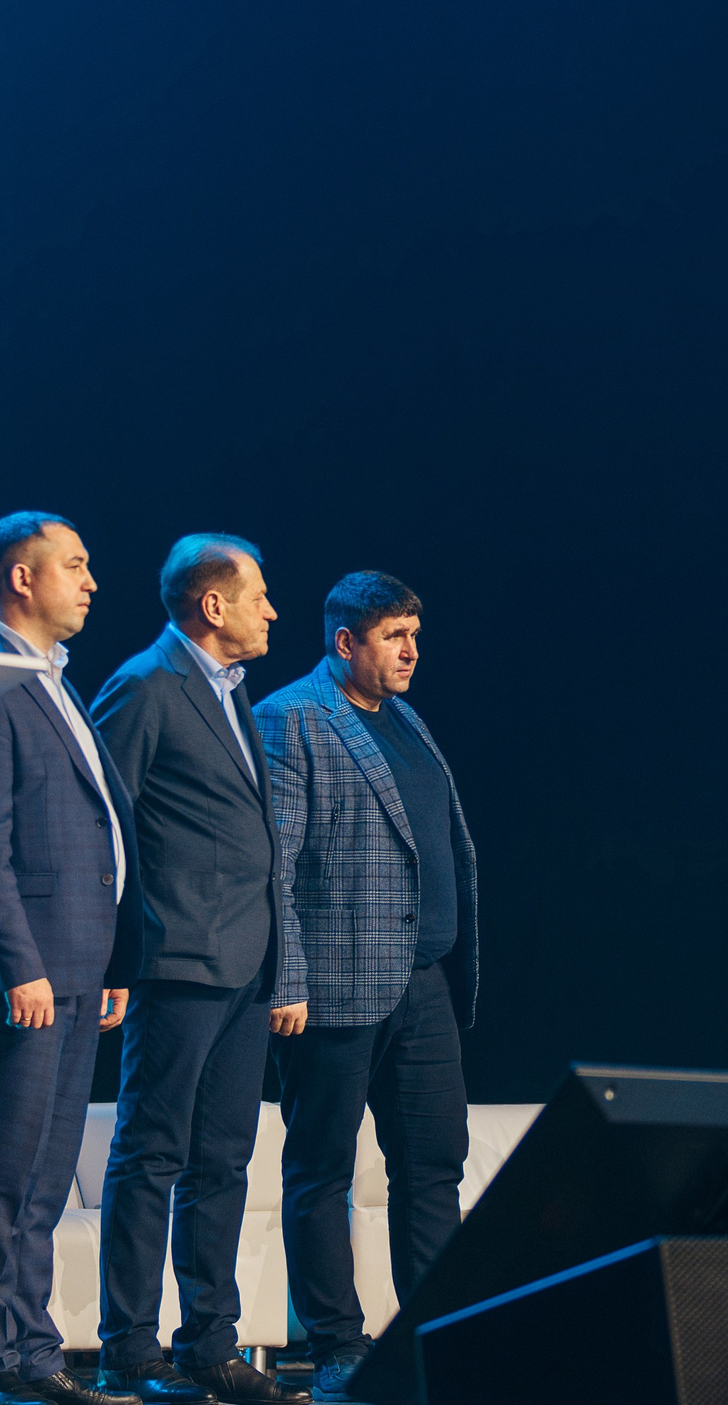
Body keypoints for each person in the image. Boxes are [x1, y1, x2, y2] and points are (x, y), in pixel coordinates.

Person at [89, 536, 305, 1405]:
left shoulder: (229, 691)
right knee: (151, 1154)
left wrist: (281, 969)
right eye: (259, 594)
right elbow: (104, 822)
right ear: (212, 606)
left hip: (245, 968)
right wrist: (115, 956)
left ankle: (210, 1341)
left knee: (225, 1159)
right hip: (176, 961)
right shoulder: (147, 685)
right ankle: (128, 1350)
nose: (272, 610)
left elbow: (259, 845)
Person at [254, 573, 479, 1402]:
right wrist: (288, 977)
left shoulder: (407, 717)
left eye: (416, 633)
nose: (411, 650)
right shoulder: (291, 717)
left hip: (423, 986)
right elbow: (272, 862)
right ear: (344, 640)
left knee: (433, 1167)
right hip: (334, 989)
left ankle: (435, 1334)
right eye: (393, 635)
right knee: (322, 1171)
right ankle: (337, 1346)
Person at [0, 513, 138, 1405]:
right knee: (4, 1171)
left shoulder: (55, 681)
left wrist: (110, 962)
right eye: (75, 563)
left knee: (46, 1177)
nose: (91, 580)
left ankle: (34, 1355)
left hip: (80, 968)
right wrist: (15, 963)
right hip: (29, 973)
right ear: (21, 579)